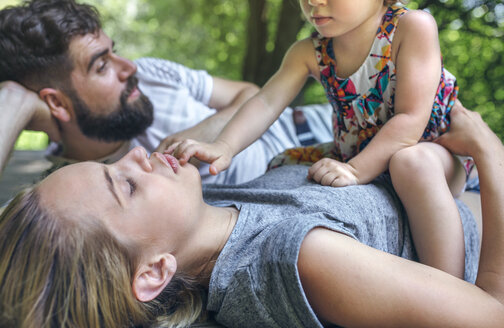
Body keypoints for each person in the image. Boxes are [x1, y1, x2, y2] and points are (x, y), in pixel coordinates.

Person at [1, 98, 504, 327]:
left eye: (110, 162)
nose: (136, 154)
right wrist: (489, 152)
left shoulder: (218, 211)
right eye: (126, 185)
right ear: (155, 271)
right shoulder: (296, 258)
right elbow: (491, 315)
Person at [167, 0, 470, 278]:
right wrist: (224, 146)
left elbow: (410, 120)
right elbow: (266, 103)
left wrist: (355, 170)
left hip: (431, 152)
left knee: (410, 163)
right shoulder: (310, 51)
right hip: (352, 155)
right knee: (284, 162)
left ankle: (451, 291)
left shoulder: (411, 27)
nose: (313, 1)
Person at [0, 0, 333, 187]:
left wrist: (192, 137)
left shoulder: (150, 74)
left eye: (114, 52)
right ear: (56, 102)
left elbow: (250, 93)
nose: (128, 67)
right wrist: (13, 101)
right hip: (301, 181)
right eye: (101, 66)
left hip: (326, 122)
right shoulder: (73, 186)